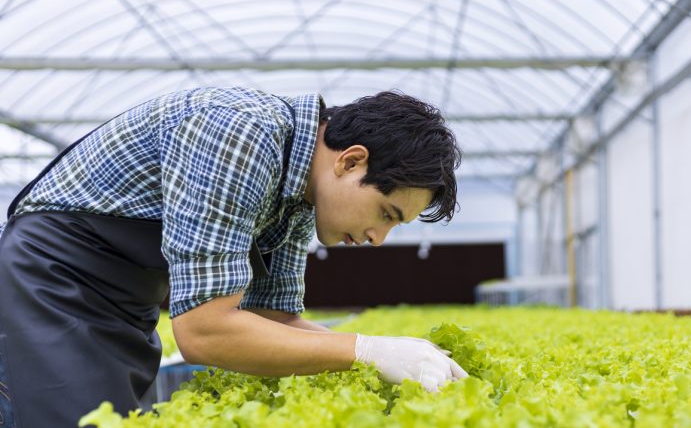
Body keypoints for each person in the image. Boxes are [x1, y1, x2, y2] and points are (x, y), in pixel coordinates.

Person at [0, 87, 466, 427]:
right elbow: (205, 333)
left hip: (125, 297)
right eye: (386, 213)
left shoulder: (302, 192)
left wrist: (397, 356)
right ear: (350, 161)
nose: (377, 238)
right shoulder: (242, 135)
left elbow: (272, 318)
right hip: (55, 272)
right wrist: (366, 351)